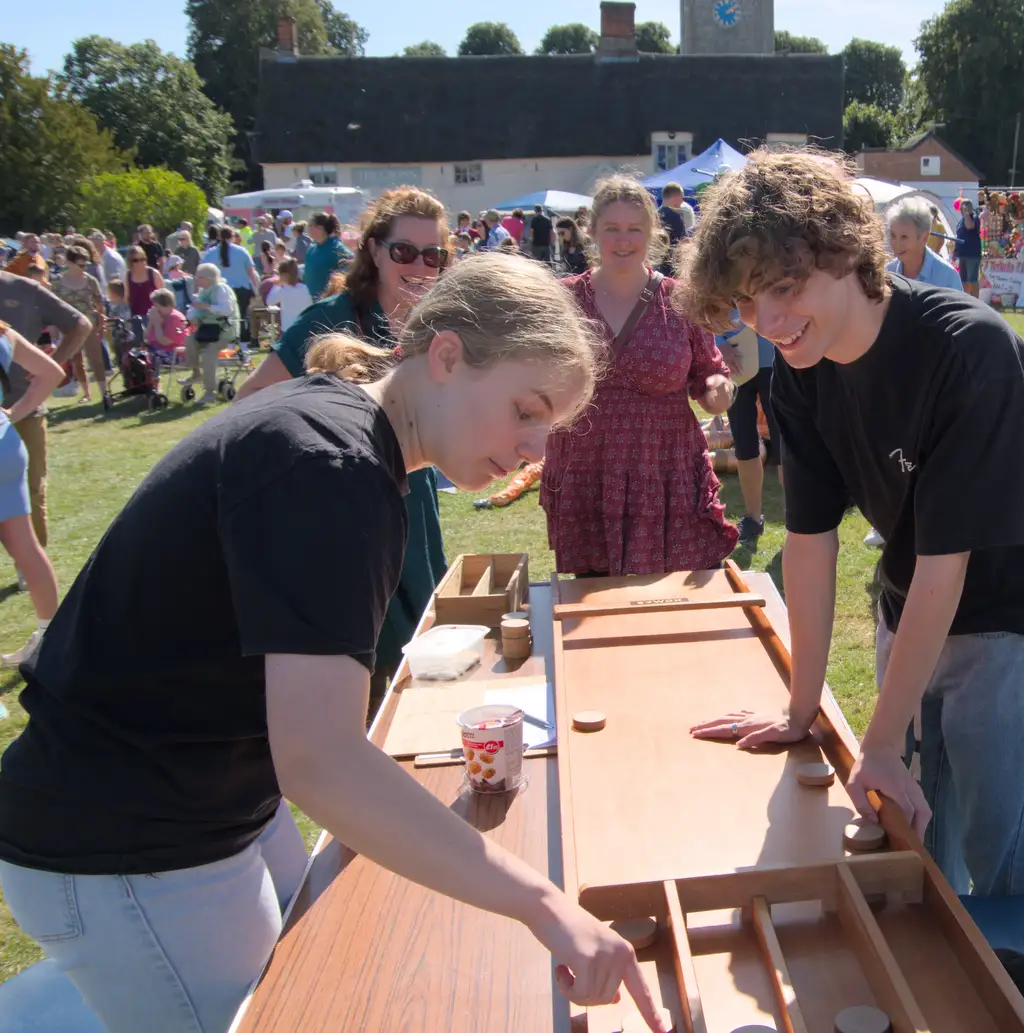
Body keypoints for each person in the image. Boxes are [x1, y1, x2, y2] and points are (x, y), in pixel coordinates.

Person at [0, 255, 673, 1033]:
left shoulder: (347, 439)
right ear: (447, 355)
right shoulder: (329, 467)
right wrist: (544, 900)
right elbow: (318, 760)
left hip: (204, 799)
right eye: (526, 410)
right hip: (123, 836)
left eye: (547, 428)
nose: (535, 451)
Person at [679, 150, 1024, 898]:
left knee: (1003, 887)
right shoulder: (801, 369)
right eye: (745, 302)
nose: (768, 323)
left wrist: (878, 739)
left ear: (845, 250)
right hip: (908, 609)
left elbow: (950, 562)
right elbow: (808, 541)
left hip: (1014, 626)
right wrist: (801, 709)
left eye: (782, 287)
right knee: (916, 858)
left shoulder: (971, 348)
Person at [236, 187, 454, 708]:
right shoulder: (331, 320)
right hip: (345, 513)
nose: (419, 265)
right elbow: (251, 403)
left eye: (433, 255)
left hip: (412, 500)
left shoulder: (435, 323)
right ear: (374, 250)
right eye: (404, 251)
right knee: (358, 659)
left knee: (414, 649)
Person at [540, 175, 737, 577]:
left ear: (652, 233)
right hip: (588, 474)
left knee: (682, 597)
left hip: (665, 473)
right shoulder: (561, 299)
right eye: (612, 229)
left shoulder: (679, 300)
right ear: (592, 231)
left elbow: (710, 373)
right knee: (598, 607)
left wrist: (718, 389)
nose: (624, 240)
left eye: (635, 229)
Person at [0, 268, 91, 564]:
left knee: (32, 490)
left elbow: (80, 324)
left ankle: (28, 563)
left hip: (23, 408)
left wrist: (51, 363)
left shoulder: (24, 289)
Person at [0, 321, 66, 665]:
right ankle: (49, 642)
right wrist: (13, 414)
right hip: (6, 445)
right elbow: (51, 373)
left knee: (25, 545)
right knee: (26, 546)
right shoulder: (3, 332)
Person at [719, 309, 780, 548]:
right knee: (744, 443)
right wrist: (718, 344)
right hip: (735, 362)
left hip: (775, 360)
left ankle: (797, 518)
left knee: (786, 443)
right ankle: (753, 518)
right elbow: (703, 311)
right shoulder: (716, 273)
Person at [49, 245, 111, 409]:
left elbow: (100, 304)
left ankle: (105, 393)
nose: (84, 268)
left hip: (90, 324)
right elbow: (53, 306)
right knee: (77, 361)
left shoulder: (91, 281)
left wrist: (101, 324)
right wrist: (53, 326)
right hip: (69, 325)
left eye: (86, 264)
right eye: (81, 265)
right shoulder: (58, 282)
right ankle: (87, 393)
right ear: (69, 262)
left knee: (96, 359)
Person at [184, 263, 238, 405]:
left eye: (200, 277)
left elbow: (226, 309)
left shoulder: (221, 289)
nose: (197, 280)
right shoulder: (203, 292)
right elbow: (192, 310)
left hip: (225, 331)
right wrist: (194, 317)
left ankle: (210, 392)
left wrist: (206, 307)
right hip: (207, 330)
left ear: (209, 278)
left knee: (209, 352)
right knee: (189, 341)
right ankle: (196, 373)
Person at [885, 198, 964, 292]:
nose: (897, 244)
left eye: (904, 237)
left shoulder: (947, 276)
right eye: (893, 235)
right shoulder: (888, 273)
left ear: (924, 238)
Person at [201, 227, 260, 345]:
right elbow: (251, 272)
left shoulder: (210, 253)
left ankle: (226, 343)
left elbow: (203, 272)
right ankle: (243, 344)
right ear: (232, 237)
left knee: (222, 317)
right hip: (241, 290)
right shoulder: (242, 251)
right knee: (242, 317)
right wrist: (257, 289)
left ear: (218, 237)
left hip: (220, 290)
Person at [303, 213, 353, 300]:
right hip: (311, 300)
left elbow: (351, 264)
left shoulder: (336, 248)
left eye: (311, 226)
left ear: (320, 228)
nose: (308, 229)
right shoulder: (312, 249)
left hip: (330, 301)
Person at [124, 246, 165, 347]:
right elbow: (126, 297)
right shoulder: (128, 275)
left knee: (154, 345)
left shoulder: (153, 274)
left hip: (154, 316)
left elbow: (164, 296)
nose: (140, 262)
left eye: (143, 259)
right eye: (136, 260)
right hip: (136, 317)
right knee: (138, 346)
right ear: (130, 262)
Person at [146, 287, 188, 375]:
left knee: (147, 358)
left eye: (157, 305)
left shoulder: (175, 318)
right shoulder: (159, 315)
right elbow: (146, 337)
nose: (154, 308)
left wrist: (157, 324)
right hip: (157, 350)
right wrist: (151, 320)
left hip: (175, 354)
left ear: (166, 305)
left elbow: (164, 342)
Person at [266, 259, 313, 333]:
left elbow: (269, 301)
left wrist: (277, 285)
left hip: (288, 329)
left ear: (283, 275)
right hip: (304, 327)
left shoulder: (283, 290)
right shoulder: (305, 288)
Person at [657, 182, 689, 276]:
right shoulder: (675, 217)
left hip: (656, 267)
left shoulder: (653, 216)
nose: (682, 202)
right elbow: (683, 242)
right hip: (672, 267)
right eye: (681, 198)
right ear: (676, 197)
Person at [953, 198, 983, 297]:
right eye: (962, 208)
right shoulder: (961, 221)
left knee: (972, 280)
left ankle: (976, 300)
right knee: (963, 280)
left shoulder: (974, 218)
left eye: (966, 207)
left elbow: (970, 226)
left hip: (972, 254)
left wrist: (967, 214)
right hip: (962, 254)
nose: (964, 210)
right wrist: (954, 252)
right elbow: (958, 236)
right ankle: (966, 299)